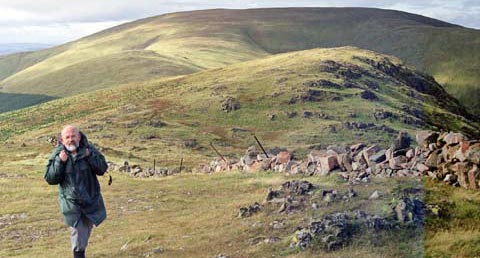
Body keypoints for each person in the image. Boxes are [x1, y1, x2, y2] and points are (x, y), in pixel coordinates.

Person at [44, 125, 108, 258]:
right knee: (78, 233)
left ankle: (80, 252)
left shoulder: (89, 150)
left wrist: (90, 157)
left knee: (85, 232)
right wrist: (60, 162)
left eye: (73, 136)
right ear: (62, 140)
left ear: (79, 137)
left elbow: (102, 169)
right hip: (71, 203)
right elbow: (50, 178)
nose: (70, 139)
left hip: (91, 200)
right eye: (67, 137)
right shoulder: (58, 154)